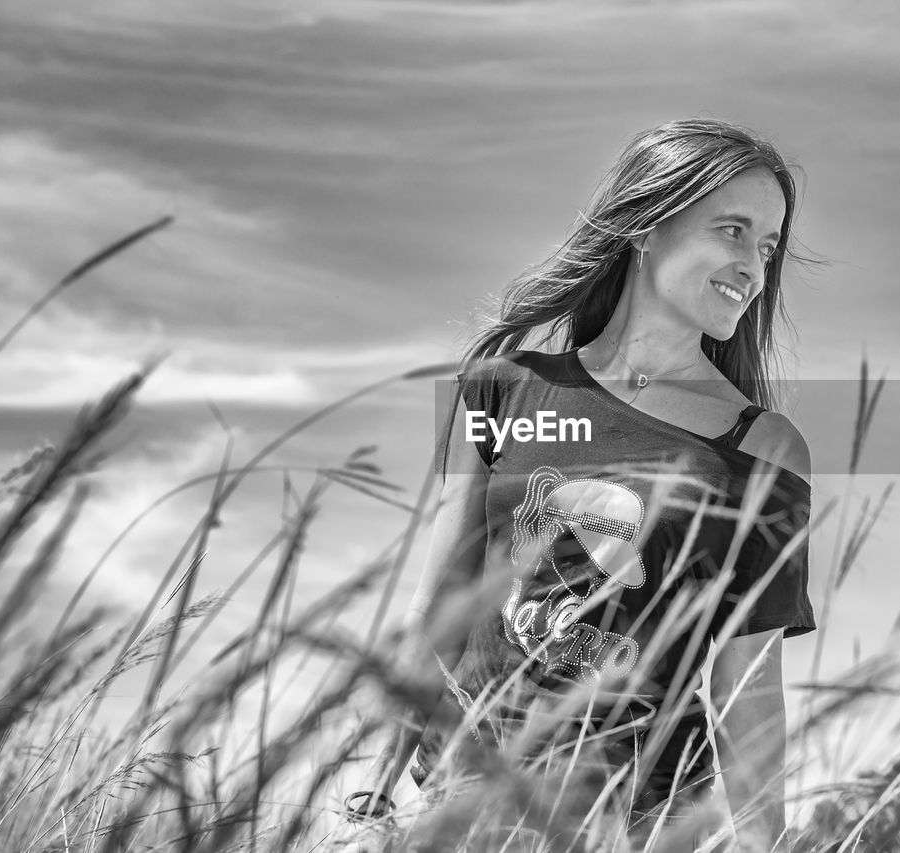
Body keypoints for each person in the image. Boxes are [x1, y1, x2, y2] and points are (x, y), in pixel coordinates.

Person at [345, 118, 816, 852]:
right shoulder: (504, 389)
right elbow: (439, 599)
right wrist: (369, 792)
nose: (753, 266)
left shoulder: (760, 448)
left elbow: (747, 683)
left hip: (641, 818)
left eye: (768, 246)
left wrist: (772, 842)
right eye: (732, 230)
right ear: (647, 227)